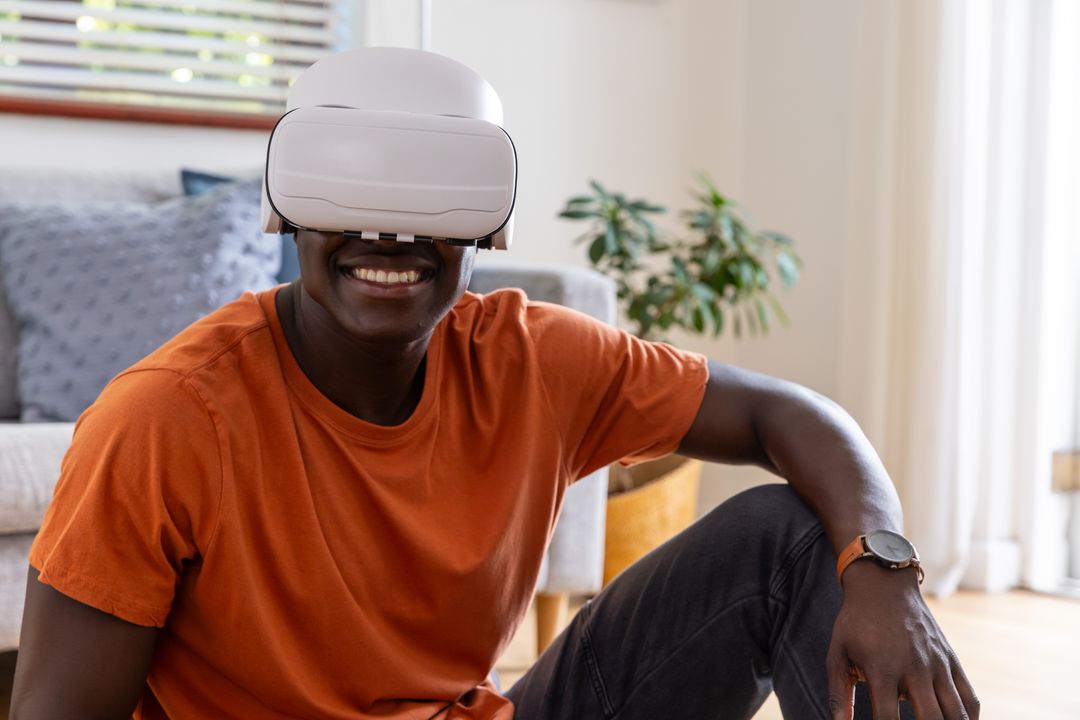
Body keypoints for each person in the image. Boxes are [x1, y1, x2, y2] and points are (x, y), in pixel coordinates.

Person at [10, 49, 978, 720]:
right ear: (282, 207)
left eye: (429, 194)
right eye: (348, 187)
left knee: (787, 535)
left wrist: (885, 572)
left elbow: (786, 413)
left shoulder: (535, 359)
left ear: (491, 222)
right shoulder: (166, 418)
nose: (387, 233)